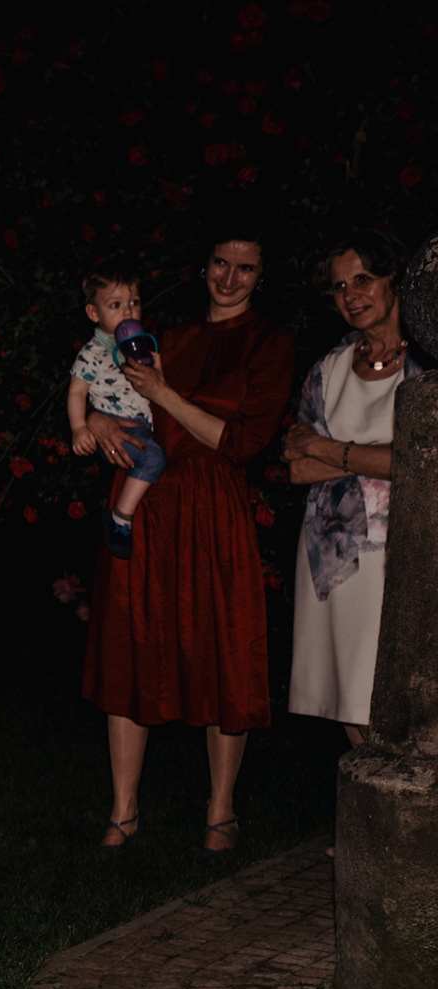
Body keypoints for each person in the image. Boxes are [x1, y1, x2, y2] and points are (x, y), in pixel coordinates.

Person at [81, 222, 296, 856]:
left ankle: (220, 808)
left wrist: (165, 394)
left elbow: (243, 442)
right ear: (204, 266)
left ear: (262, 276)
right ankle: (124, 809)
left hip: (213, 506)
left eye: (246, 267)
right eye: (221, 262)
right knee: (130, 639)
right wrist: (96, 417)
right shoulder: (164, 336)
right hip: (143, 501)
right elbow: (112, 390)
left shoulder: (269, 341)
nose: (230, 277)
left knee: (224, 646)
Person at [282, 230, 419, 745]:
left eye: (363, 279)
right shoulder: (329, 369)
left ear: (394, 280)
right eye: (339, 287)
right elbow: (297, 467)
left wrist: (331, 449)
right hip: (333, 559)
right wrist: (375, 455)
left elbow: (418, 464)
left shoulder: (426, 367)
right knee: (348, 699)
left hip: (403, 558)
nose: (351, 295)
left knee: (397, 702)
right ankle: (371, 795)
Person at [67, 270, 164, 560]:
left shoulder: (144, 346)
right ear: (94, 313)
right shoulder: (92, 353)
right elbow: (76, 393)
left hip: (142, 425)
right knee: (154, 458)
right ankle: (120, 519)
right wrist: (79, 428)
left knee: (157, 459)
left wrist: (156, 368)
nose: (128, 311)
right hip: (113, 426)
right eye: (116, 305)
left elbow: (158, 392)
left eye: (134, 303)